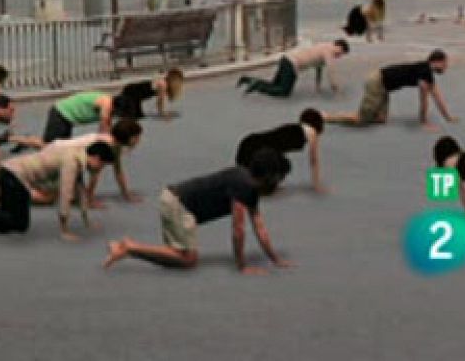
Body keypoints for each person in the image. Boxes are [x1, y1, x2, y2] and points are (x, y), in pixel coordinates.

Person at [103, 149, 291, 274]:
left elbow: (260, 228)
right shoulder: (243, 185)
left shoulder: (248, 184)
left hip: (177, 201)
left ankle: (124, 247)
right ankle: (129, 247)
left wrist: (275, 259)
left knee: (176, 256)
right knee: (188, 260)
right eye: (279, 178)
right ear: (270, 177)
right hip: (179, 204)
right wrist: (242, 266)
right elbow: (238, 230)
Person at [0, 140, 119, 242]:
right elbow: (66, 194)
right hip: (15, 177)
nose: (100, 169)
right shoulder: (72, 161)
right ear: (95, 157)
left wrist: (86, 220)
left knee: (6, 222)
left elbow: (80, 191)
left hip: (8, 172)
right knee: (20, 224)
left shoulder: (78, 155)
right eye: (102, 164)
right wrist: (64, 230)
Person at [326, 50, 458, 130]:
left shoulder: (426, 71)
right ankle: (327, 117)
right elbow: (423, 101)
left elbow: (437, 97)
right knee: (360, 120)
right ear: (437, 62)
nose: (446, 67)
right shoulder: (424, 72)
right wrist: (424, 122)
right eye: (445, 63)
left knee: (381, 119)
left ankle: (367, 113)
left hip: (383, 87)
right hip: (376, 83)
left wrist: (448, 118)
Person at [46, 118, 144, 209]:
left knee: (72, 195)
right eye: (137, 136)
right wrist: (90, 200)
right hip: (58, 156)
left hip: (64, 153)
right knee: (50, 197)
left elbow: (118, 171)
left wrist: (126, 194)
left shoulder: (114, 145)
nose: (139, 140)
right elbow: (94, 174)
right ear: (130, 138)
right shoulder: (106, 146)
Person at [236, 110, 328, 193]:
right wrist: (316, 184)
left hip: (249, 143)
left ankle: (256, 182)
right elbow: (314, 160)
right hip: (256, 150)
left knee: (280, 162)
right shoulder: (312, 132)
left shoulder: (295, 127)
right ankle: (261, 184)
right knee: (285, 165)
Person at [237, 40, 349, 98]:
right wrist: (336, 89)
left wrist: (317, 86)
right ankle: (256, 86)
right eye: (341, 53)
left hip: (285, 59)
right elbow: (331, 71)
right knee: (284, 92)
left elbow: (319, 68)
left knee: (274, 84)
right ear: (338, 46)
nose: (340, 56)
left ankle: (247, 80)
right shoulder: (329, 51)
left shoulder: (323, 47)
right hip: (291, 65)